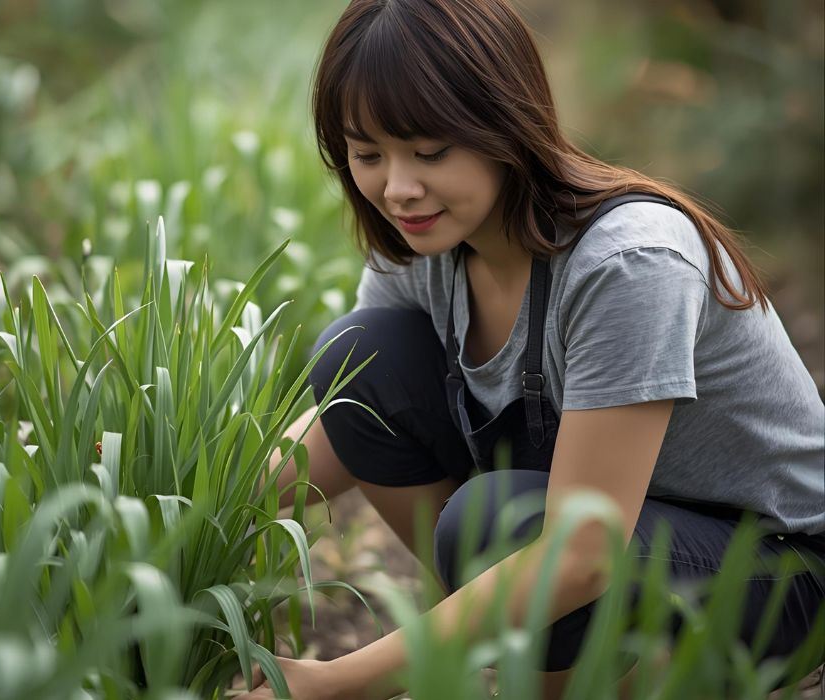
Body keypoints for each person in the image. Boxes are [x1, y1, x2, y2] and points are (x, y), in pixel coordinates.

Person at [239, 0, 825, 697]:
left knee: (498, 522)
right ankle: (520, 642)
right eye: (368, 156)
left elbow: (581, 549)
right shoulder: (426, 239)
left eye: (429, 152)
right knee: (358, 353)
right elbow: (352, 415)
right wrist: (185, 506)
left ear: (504, 127)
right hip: (618, 536)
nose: (397, 188)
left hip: (775, 569)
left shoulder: (625, 262)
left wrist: (341, 683)